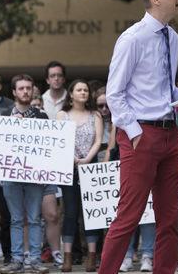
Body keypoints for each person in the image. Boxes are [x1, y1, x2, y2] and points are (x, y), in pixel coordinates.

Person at [99, 0, 178, 274]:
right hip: (141, 135)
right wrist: (135, 133)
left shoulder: (172, 37)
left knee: (169, 219)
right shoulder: (132, 38)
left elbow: (167, 88)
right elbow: (114, 93)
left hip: (170, 135)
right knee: (129, 215)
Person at [0, 74, 49, 274]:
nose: (25, 91)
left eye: (28, 88)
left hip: (35, 175)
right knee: (16, 219)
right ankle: (17, 259)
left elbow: (48, 147)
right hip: (11, 175)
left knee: (35, 218)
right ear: (14, 92)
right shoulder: (4, 116)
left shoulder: (41, 116)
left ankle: (35, 260)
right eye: (21, 88)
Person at [56, 80, 103, 272]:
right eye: (79, 90)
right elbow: (59, 140)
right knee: (70, 212)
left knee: (91, 213)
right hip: (69, 168)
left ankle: (91, 257)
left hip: (90, 167)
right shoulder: (62, 115)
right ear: (71, 94)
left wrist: (86, 159)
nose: (83, 92)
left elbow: (98, 141)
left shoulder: (96, 115)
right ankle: (67, 257)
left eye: (86, 90)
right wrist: (73, 157)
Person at [40, 62, 66, 267]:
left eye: (59, 75)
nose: (56, 78)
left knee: (65, 211)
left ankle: (65, 249)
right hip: (45, 160)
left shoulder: (72, 98)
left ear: (63, 78)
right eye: (52, 76)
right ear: (47, 79)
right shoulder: (40, 101)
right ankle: (48, 249)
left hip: (66, 159)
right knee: (48, 211)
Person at [94, 87, 115, 163]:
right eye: (100, 106)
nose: (104, 109)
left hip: (112, 159)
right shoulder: (92, 120)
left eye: (107, 106)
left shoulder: (117, 122)